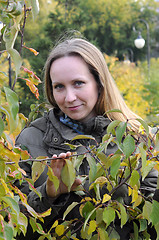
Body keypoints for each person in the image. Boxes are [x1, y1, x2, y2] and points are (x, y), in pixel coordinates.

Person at [15, 37, 158, 239]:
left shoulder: (133, 138)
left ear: (99, 83)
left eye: (78, 83)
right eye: (59, 87)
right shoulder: (30, 140)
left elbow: (151, 223)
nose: (69, 97)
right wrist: (48, 196)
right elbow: (12, 228)